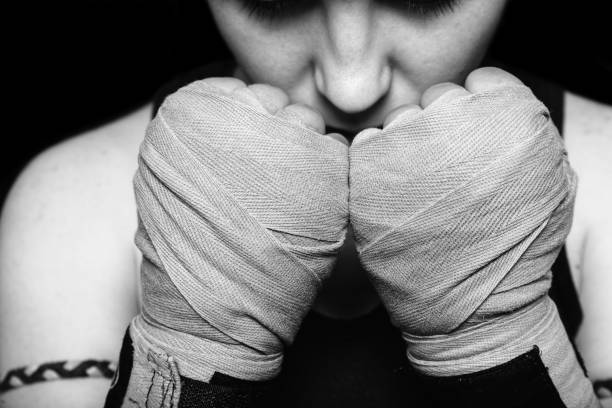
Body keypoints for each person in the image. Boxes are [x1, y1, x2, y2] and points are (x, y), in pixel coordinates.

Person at [1, 0, 610, 407]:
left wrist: (500, 349)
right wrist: (191, 362)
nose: (351, 83)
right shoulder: (70, 201)